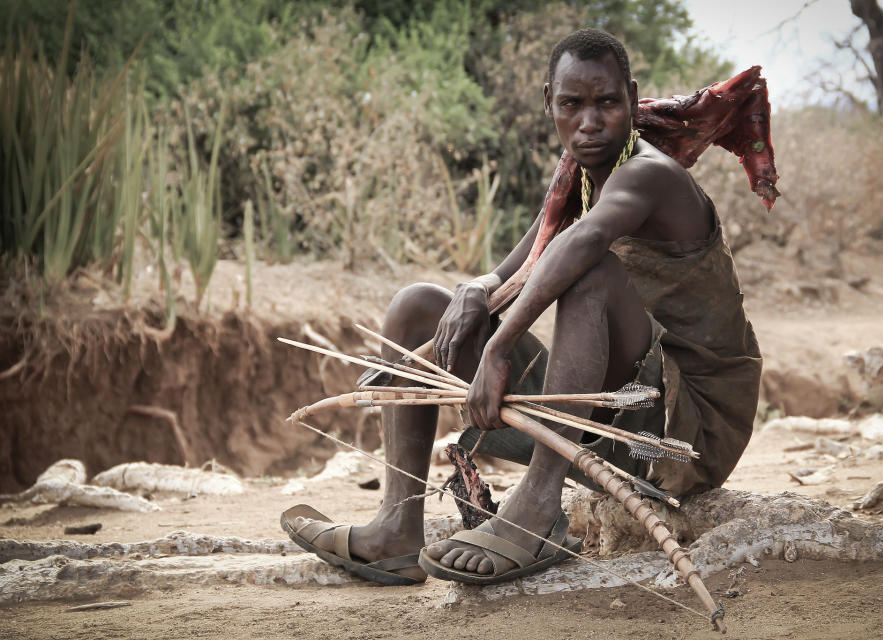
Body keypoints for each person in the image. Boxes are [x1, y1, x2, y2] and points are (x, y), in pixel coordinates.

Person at [281, 28, 762, 586]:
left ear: (631, 97)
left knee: (593, 272)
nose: (589, 121)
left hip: (685, 434)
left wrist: (501, 345)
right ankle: (396, 530)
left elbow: (580, 245)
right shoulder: (578, 175)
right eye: (571, 104)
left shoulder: (648, 174)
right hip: (607, 413)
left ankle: (537, 507)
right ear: (548, 104)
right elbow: (522, 261)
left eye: (607, 102)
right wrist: (476, 288)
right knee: (420, 305)